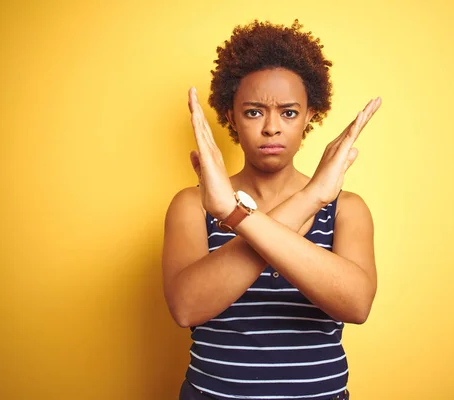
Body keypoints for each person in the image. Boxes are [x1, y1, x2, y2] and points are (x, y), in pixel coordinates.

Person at [162, 19, 381, 400]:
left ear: (310, 115)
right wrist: (310, 198)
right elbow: (186, 308)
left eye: (289, 112)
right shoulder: (192, 204)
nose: (271, 128)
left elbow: (356, 305)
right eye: (253, 112)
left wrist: (239, 215)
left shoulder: (345, 209)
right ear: (230, 116)